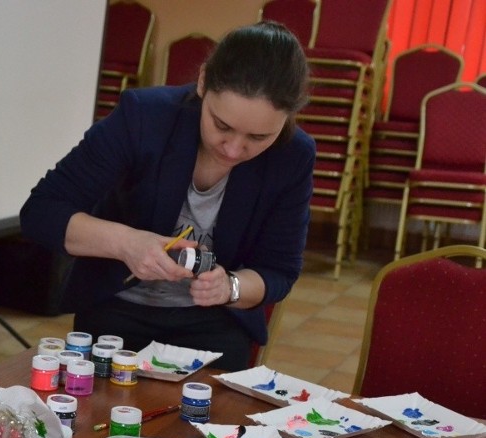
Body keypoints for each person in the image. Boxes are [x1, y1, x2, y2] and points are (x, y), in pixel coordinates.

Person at [20, 22, 314, 371]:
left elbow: (279, 271)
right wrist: (127, 244)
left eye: (259, 137)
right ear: (203, 81)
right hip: (116, 315)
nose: (234, 149)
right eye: (221, 126)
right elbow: (41, 212)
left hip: (214, 323)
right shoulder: (144, 117)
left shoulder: (292, 155)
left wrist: (230, 287)